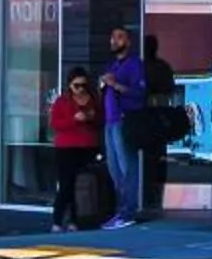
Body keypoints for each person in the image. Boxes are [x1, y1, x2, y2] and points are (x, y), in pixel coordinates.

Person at [96, 25, 148, 230]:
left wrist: (115, 84)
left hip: (124, 120)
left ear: (128, 41)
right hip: (109, 121)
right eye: (112, 37)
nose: (114, 41)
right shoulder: (112, 65)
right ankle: (120, 210)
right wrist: (103, 85)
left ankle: (128, 212)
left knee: (127, 167)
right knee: (114, 169)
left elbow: (139, 93)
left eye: (119, 37)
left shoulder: (134, 64)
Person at [46, 69, 104, 231]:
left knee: (82, 184)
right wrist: (74, 119)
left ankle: (76, 220)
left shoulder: (93, 100)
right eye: (76, 85)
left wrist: (91, 117)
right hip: (66, 148)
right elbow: (55, 124)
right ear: (70, 85)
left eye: (84, 85)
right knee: (66, 184)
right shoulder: (62, 101)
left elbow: (100, 121)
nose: (80, 89)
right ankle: (57, 220)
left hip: (88, 147)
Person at [138, 35, 181, 219]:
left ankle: (149, 198)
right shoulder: (161, 67)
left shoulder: (144, 68)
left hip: (148, 118)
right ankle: (154, 198)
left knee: (149, 160)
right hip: (155, 118)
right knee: (156, 160)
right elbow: (170, 90)